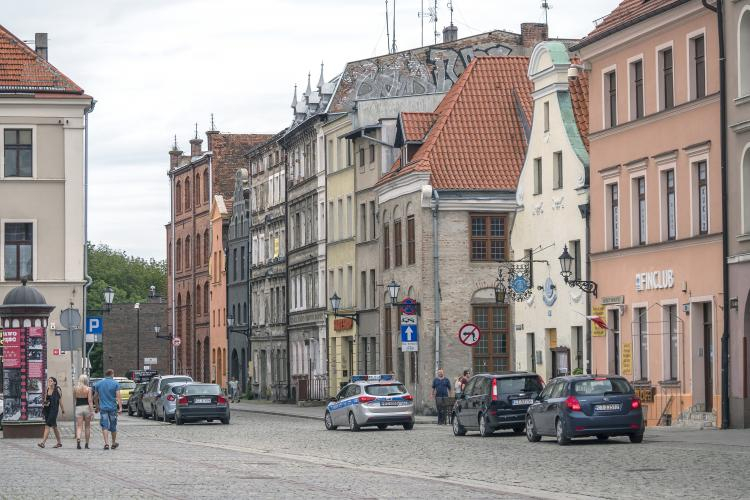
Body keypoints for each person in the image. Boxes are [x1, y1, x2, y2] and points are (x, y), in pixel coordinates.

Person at [94, 369, 122, 450]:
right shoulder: (115, 384)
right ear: (112, 374)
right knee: (113, 426)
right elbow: (118, 397)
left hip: (103, 408)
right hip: (113, 408)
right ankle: (113, 443)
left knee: (104, 426)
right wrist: (120, 407)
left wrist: (97, 406)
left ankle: (106, 443)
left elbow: (95, 397)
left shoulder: (98, 384)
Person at [38, 377, 65, 448]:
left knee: (47, 426)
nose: (49, 382)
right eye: (49, 381)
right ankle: (59, 443)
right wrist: (44, 404)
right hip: (47, 410)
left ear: (55, 382)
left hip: (54, 410)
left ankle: (43, 443)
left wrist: (63, 410)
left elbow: (60, 401)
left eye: (51, 381)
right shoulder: (47, 389)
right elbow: (45, 400)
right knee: (54, 427)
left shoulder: (57, 390)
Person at [73, 374, 94, 449]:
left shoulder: (75, 388)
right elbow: (90, 400)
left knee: (79, 426)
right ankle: (87, 444)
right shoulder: (88, 389)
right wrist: (92, 411)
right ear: (86, 380)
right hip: (86, 407)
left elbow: (75, 399)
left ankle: (78, 439)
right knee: (87, 426)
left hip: (78, 407)